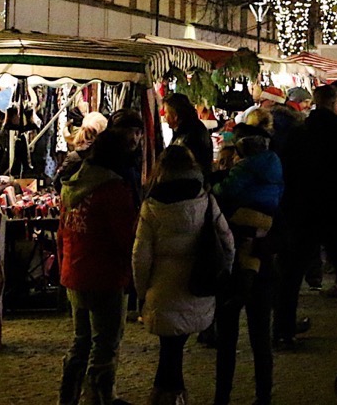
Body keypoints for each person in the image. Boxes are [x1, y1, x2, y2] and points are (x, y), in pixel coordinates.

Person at [134, 144, 233, 405]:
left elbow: (140, 256)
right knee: (173, 348)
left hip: (162, 287)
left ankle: (168, 395)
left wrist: (141, 291)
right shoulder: (206, 200)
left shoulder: (152, 205)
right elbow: (226, 240)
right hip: (197, 283)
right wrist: (224, 272)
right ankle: (170, 394)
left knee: (170, 347)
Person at [57, 127, 140, 405]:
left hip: (75, 270)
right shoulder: (113, 190)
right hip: (105, 273)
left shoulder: (73, 187)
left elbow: (62, 232)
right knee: (105, 343)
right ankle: (97, 397)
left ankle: (67, 398)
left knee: (81, 341)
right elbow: (125, 238)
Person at [275, 84, 337, 346]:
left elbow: (286, 169)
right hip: (334, 210)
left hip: (302, 209)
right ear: (334, 104)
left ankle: (283, 329)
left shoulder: (299, 132)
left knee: (291, 273)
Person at [213, 124, 283, 405]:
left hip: (235, 257)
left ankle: (222, 396)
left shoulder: (241, 173)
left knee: (227, 336)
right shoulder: (275, 169)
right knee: (260, 336)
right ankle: (263, 395)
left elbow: (223, 192)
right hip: (263, 257)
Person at [163, 93, 215, 174]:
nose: (165, 116)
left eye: (166, 112)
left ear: (175, 116)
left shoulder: (190, 135)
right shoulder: (188, 129)